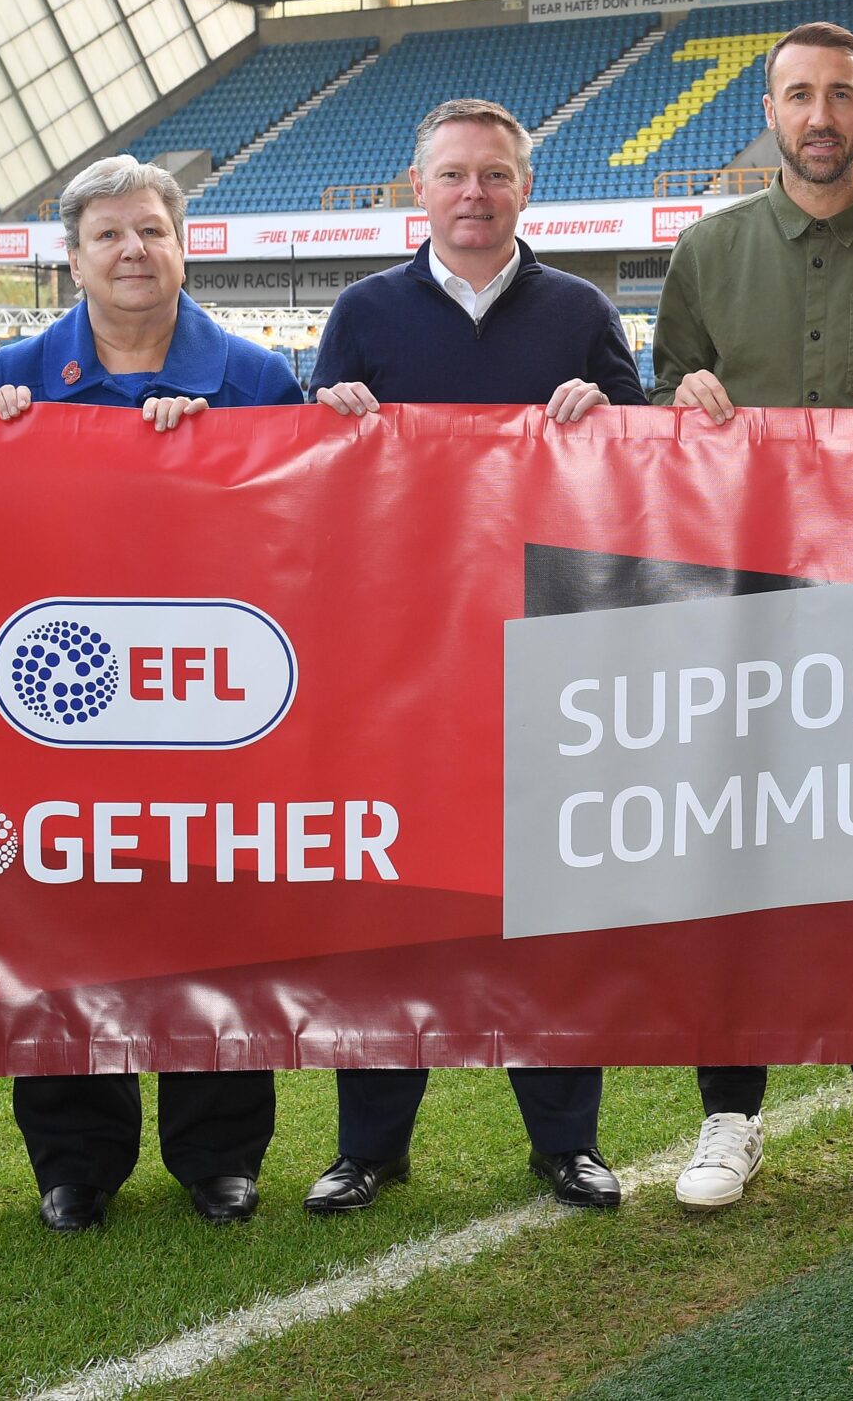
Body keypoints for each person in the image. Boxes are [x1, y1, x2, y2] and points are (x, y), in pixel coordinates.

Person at [653, 19, 853, 1209]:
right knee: (731, 860)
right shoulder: (705, 252)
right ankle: (728, 1113)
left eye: (839, 94)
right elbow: (651, 427)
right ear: (771, 111)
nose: (820, 116)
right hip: (734, 616)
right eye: (799, 95)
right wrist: (679, 397)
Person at [306, 98, 644, 1214]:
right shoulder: (362, 313)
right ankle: (371, 1145)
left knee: (549, 902)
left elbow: (648, 472)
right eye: (452, 174)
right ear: (419, 189)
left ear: (524, 189)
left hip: (545, 650)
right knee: (393, 903)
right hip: (400, 661)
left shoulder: (582, 311)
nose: (473, 193)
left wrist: (609, 415)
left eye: (494, 174)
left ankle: (566, 1141)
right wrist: (326, 416)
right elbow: (314, 490)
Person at [0, 155, 302, 1230]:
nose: (133, 251)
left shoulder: (256, 378)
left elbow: (301, 539)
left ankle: (219, 1152)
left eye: (152, 230)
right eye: (108, 234)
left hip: (212, 699)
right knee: (65, 922)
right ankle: (76, 1159)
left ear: (183, 246)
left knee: (216, 917)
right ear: (72, 257)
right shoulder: (11, 375)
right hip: (63, 706)